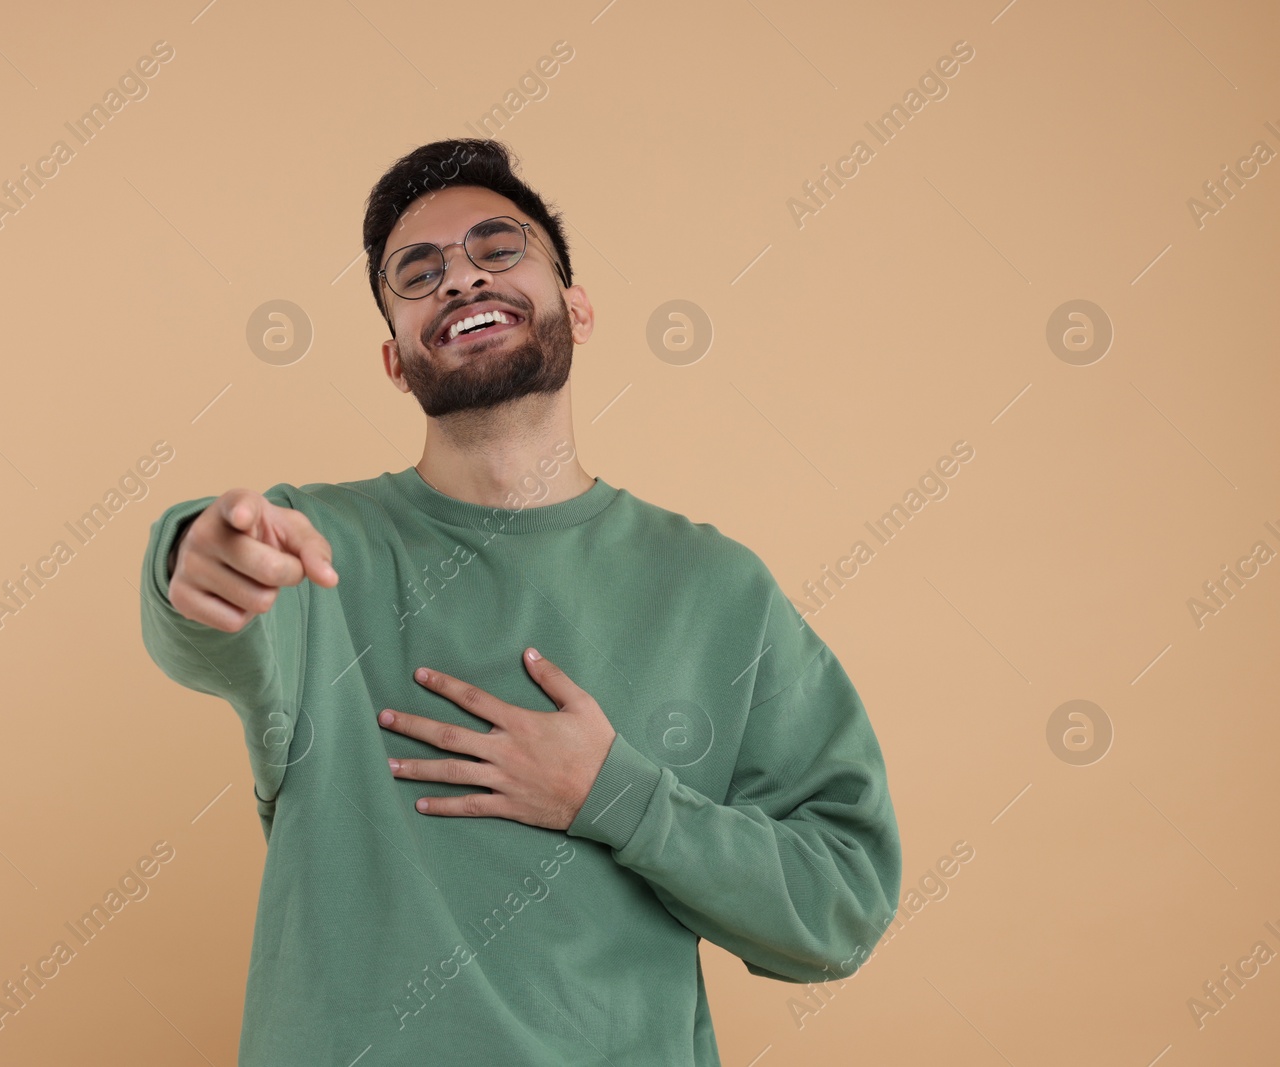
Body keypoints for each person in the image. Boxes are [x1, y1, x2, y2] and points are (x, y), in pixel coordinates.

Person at [139, 138, 902, 1065]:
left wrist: (614, 795)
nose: (459, 277)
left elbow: (842, 907)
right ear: (393, 360)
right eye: (417, 272)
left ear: (576, 307)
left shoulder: (717, 589)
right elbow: (210, 615)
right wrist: (194, 555)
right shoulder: (314, 549)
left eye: (498, 248)